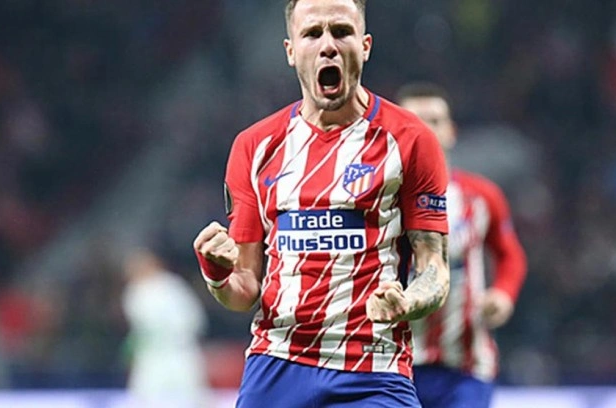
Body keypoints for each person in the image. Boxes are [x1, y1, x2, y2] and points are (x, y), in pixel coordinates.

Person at [192, 1, 451, 406]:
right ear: (291, 50)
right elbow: (243, 291)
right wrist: (216, 271)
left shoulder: (410, 139)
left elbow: (434, 268)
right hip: (277, 364)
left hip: (372, 368)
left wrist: (409, 301)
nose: (328, 45)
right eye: (312, 33)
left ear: (365, 46)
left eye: (341, 31)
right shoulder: (254, 146)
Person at [397, 82, 528, 408]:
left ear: (451, 131)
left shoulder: (481, 197)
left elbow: (509, 254)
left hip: (465, 367)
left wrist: (503, 294)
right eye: (415, 122)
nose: (426, 130)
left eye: (435, 121)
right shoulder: (374, 202)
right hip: (394, 366)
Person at [121, 248, 211, 408]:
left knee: (192, 399)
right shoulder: (135, 291)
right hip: (152, 358)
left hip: (181, 354)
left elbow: (195, 321)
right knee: (145, 400)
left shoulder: (172, 286)